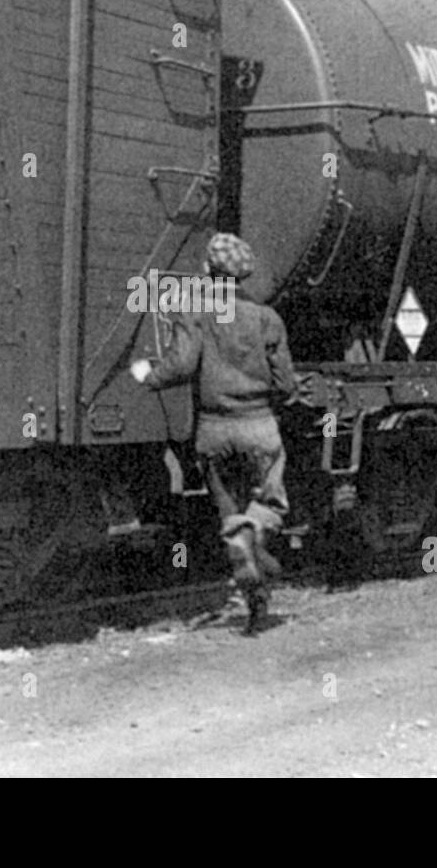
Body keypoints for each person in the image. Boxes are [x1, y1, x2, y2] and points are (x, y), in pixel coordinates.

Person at [131, 233, 296, 635]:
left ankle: (255, 601)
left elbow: (182, 364)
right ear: (246, 273)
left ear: (207, 270)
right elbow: (286, 384)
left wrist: (148, 376)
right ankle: (255, 534)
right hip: (258, 425)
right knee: (268, 506)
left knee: (230, 516)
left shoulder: (195, 311)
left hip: (213, 431)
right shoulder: (267, 318)